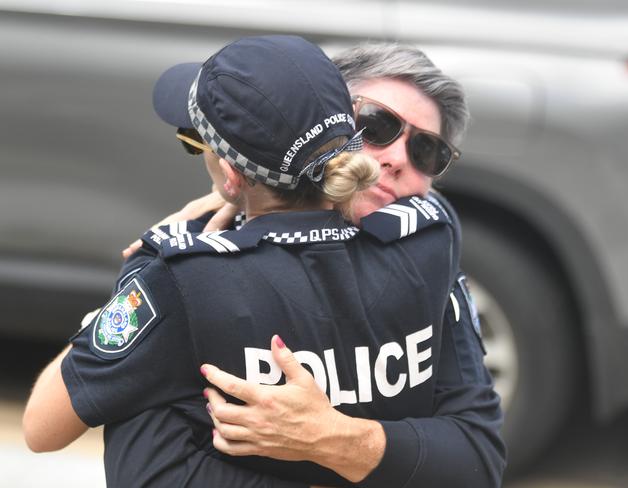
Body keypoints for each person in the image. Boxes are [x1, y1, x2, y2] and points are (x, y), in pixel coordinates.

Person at [24, 39, 505, 488]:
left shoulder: (180, 273)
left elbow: (478, 455)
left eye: (428, 152)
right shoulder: (434, 232)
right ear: (331, 122)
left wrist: (336, 438)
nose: (399, 158)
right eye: (376, 125)